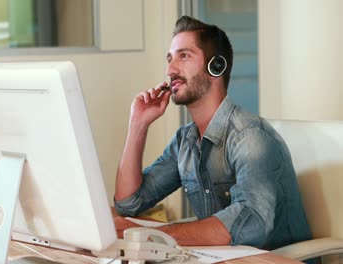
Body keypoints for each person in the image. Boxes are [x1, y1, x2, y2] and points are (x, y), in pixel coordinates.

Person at [113, 15, 312, 250]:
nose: (170, 69)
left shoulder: (249, 136)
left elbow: (253, 224)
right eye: (170, 58)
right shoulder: (185, 141)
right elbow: (128, 203)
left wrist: (158, 234)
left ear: (215, 66)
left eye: (183, 56)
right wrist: (138, 124)